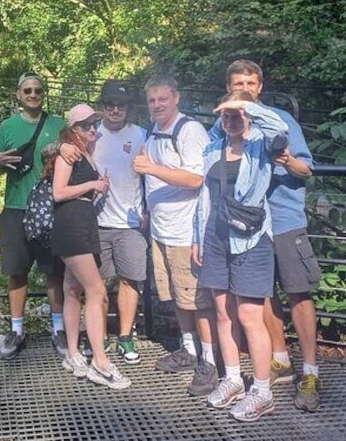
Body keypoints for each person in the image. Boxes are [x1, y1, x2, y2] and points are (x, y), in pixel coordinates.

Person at [211, 59, 322, 412]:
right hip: (246, 226)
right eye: (238, 83)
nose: (244, 89)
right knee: (259, 295)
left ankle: (310, 371)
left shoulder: (280, 120)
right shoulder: (225, 119)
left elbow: (306, 170)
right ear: (228, 86)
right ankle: (279, 358)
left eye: (251, 83)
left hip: (284, 217)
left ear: (260, 86)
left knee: (297, 292)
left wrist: (286, 160)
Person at [196, 90, 288, 422]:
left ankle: (262, 391)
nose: (231, 120)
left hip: (251, 241)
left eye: (237, 115)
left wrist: (246, 105)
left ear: (248, 114)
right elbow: (203, 196)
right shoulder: (212, 147)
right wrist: (198, 238)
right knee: (223, 313)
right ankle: (233, 378)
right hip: (216, 238)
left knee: (250, 316)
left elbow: (281, 130)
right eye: (226, 115)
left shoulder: (261, 146)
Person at [132, 75, 218, 397]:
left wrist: (151, 169)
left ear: (176, 98)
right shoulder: (154, 133)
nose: (156, 105)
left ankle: (209, 361)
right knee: (180, 298)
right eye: (152, 100)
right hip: (161, 230)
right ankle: (189, 349)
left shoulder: (189, 130)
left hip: (185, 233)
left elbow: (197, 178)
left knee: (199, 300)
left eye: (162, 99)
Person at [51, 104, 130, 389]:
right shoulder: (68, 152)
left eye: (94, 124)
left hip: (83, 222)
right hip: (71, 225)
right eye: (85, 126)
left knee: (72, 290)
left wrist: (96, 186)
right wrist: (92, 185)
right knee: (96, 290)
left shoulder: (84, 152)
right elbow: (58, 193)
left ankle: (74, 354)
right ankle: (100, 361)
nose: (93, 130)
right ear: (74, 129)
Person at [0, 72, 67, 359]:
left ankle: (58, 329)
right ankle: (17, 328)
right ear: (18, 95)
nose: (33, 95)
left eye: (38, 90)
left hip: (49, 208)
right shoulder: (8, 126)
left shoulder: (60, 125)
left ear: (43, 93)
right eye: (28, 91)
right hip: (16, 207)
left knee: (54, 272)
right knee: (17, 271)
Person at [92, 80, 147, 364]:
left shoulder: (141, 135)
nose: (115, 109)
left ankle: (125, 337)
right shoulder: (91, 135)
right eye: (109, 104)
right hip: (97, 222)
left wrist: (148, 210)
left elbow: (151, 175)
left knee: (130, 281)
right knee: (98, 284)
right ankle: (99, 337)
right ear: (101, 108)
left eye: (121, 105)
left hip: (131, 223)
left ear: (128, 108)